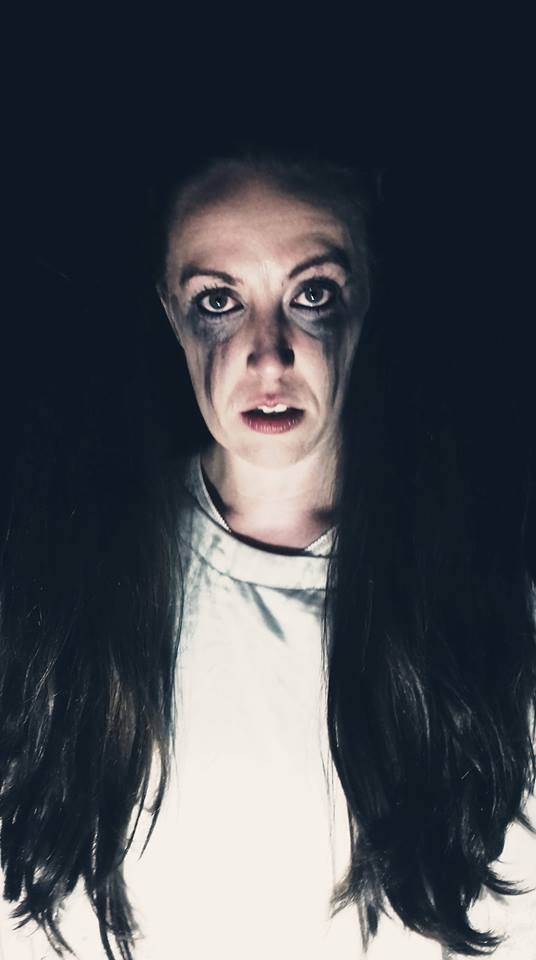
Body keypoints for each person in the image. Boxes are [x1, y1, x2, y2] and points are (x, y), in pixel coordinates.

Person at [0, 145, 535, 959]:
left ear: (367, 296)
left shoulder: (482, 591)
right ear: (169, 311)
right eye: (218, 301)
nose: (268, 354)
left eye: (311, 294)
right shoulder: (63, 590)